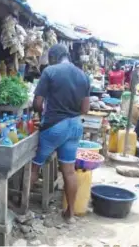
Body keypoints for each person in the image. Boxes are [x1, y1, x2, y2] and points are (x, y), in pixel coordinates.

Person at [32, 44, 90, 223]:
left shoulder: (50, 71)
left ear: (53, 57)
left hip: (55, 127)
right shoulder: (83, 75)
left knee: (35, 165)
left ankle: (22, 207)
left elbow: (38, 103)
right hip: (75, 126)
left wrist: (42, 117)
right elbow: (85, 108)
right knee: (69, 171)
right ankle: (70, 214)